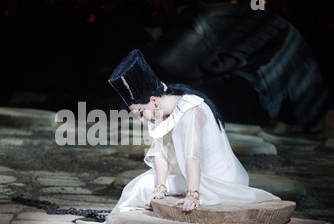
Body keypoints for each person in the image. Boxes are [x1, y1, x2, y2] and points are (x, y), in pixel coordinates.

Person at [107, 49, 280, 214]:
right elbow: (160, 153)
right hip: (186, 173)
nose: (142, 119)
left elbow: (192, 157)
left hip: (216, 179)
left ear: (153, 100)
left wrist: (192, 194)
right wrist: (160, 188)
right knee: (144, 185)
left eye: (140, 112)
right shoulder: (157, 111)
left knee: (140, 187)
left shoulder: (190, 110)